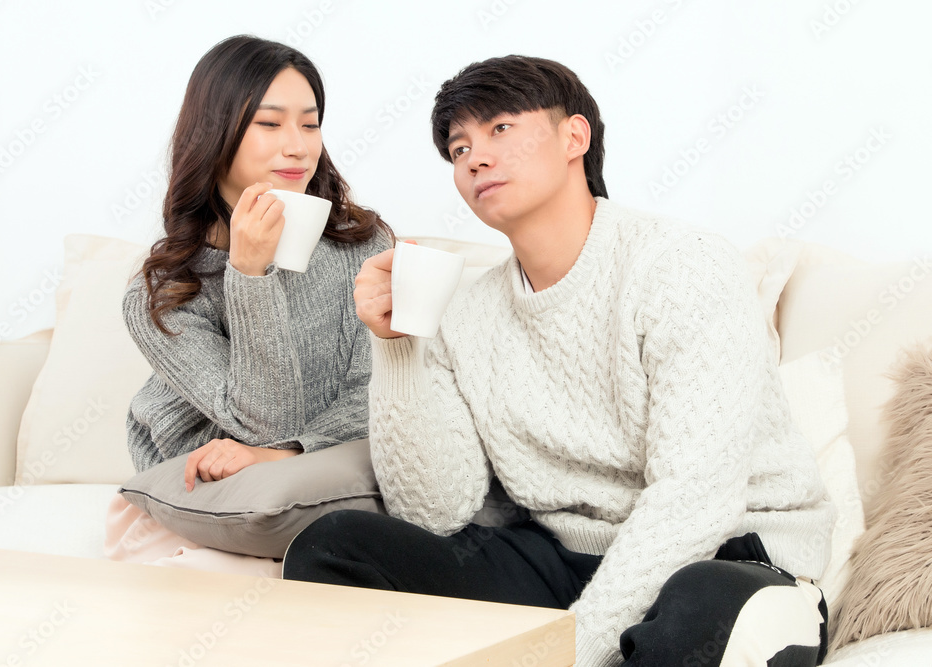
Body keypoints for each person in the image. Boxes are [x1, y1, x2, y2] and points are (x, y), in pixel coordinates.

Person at [283, 55, 834, 666]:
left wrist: (570, 647)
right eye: (459, 148)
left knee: (698, 610)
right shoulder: (465, 313)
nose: (475, 159)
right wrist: (396, 347)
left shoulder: (682, 266)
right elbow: (435, 511)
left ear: (575, 136)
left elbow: (697, 498)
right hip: (561, 562)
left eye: (499, 130)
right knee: (335, 545)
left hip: (730, 557)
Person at [121, 34, 392, 490]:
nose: (299, 148)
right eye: (269, 124)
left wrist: (285, 454)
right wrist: (249, 275)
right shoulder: (163, 294)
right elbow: (267, 422)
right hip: (197, 484)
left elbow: (378, 395)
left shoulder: (361, 243)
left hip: (321, 472)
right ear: (214, 134)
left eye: (310, 125)